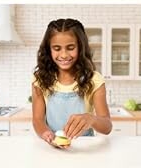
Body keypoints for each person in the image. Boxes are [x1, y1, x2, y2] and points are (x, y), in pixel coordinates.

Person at [32, 18, 112, 147]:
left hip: (85, 146)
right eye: (57, 48)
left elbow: (107, 126)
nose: (64, 55)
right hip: (52, 145)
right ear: (49, 49)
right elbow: (37, 119)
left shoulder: (94, 80)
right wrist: (45, 133)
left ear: (81, 47)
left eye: (70, 47)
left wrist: (91, 119)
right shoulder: (40, 79)